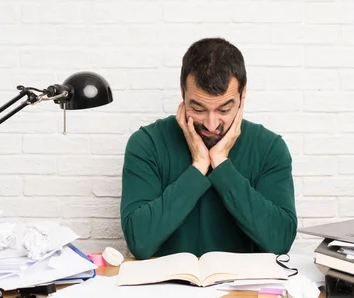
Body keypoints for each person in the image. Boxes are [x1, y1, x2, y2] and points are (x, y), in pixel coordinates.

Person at [120, 37, 297, 260]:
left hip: (243, 293)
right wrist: (198, 166)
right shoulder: (147, 144)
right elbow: (140, 242)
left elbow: (280, 242)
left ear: (242, 97)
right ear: (182, 92)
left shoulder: (270, 147)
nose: (211, 125)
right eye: (198, 109)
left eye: (224, 109)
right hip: (165, 291)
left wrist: (221, 163)